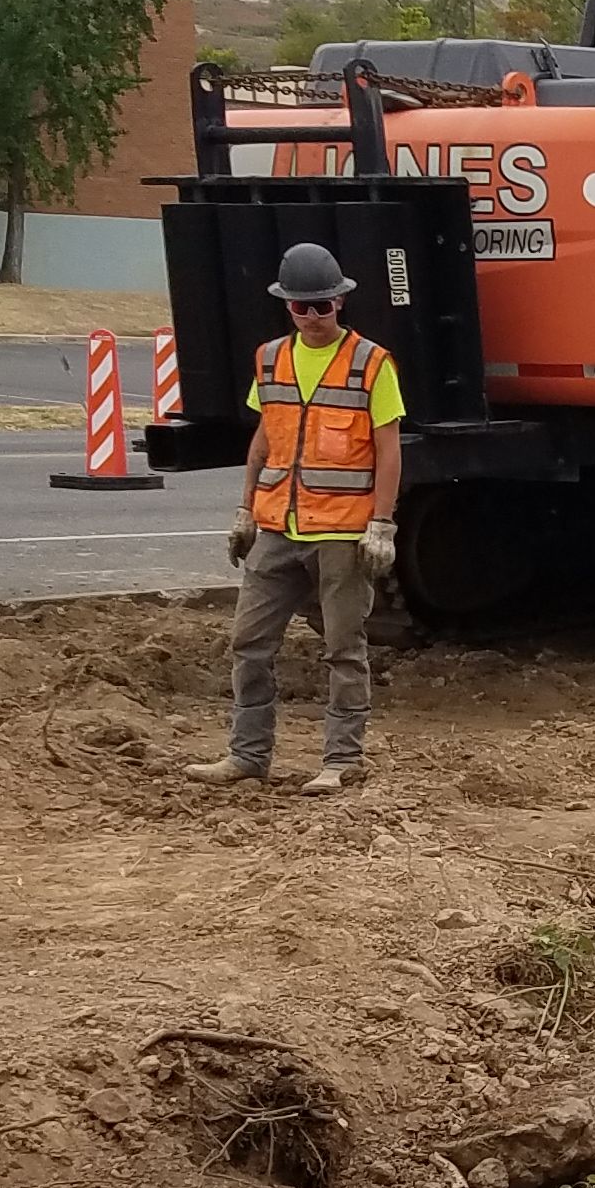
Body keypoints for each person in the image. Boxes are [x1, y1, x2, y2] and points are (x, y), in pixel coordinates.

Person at [188, 243, 403, 795]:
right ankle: (247, 755)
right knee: (249, 642)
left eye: (323, 306)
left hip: (341, 533)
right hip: (279, 526)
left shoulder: (372, 364)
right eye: (302, 308)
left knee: (343, 648)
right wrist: (244, 508)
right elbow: (266, 438)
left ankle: (342, 760)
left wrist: (382, 524)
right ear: (287, 307)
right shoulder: (271, 358)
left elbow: (388, 448)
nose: (313, 316)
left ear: (341, 302)